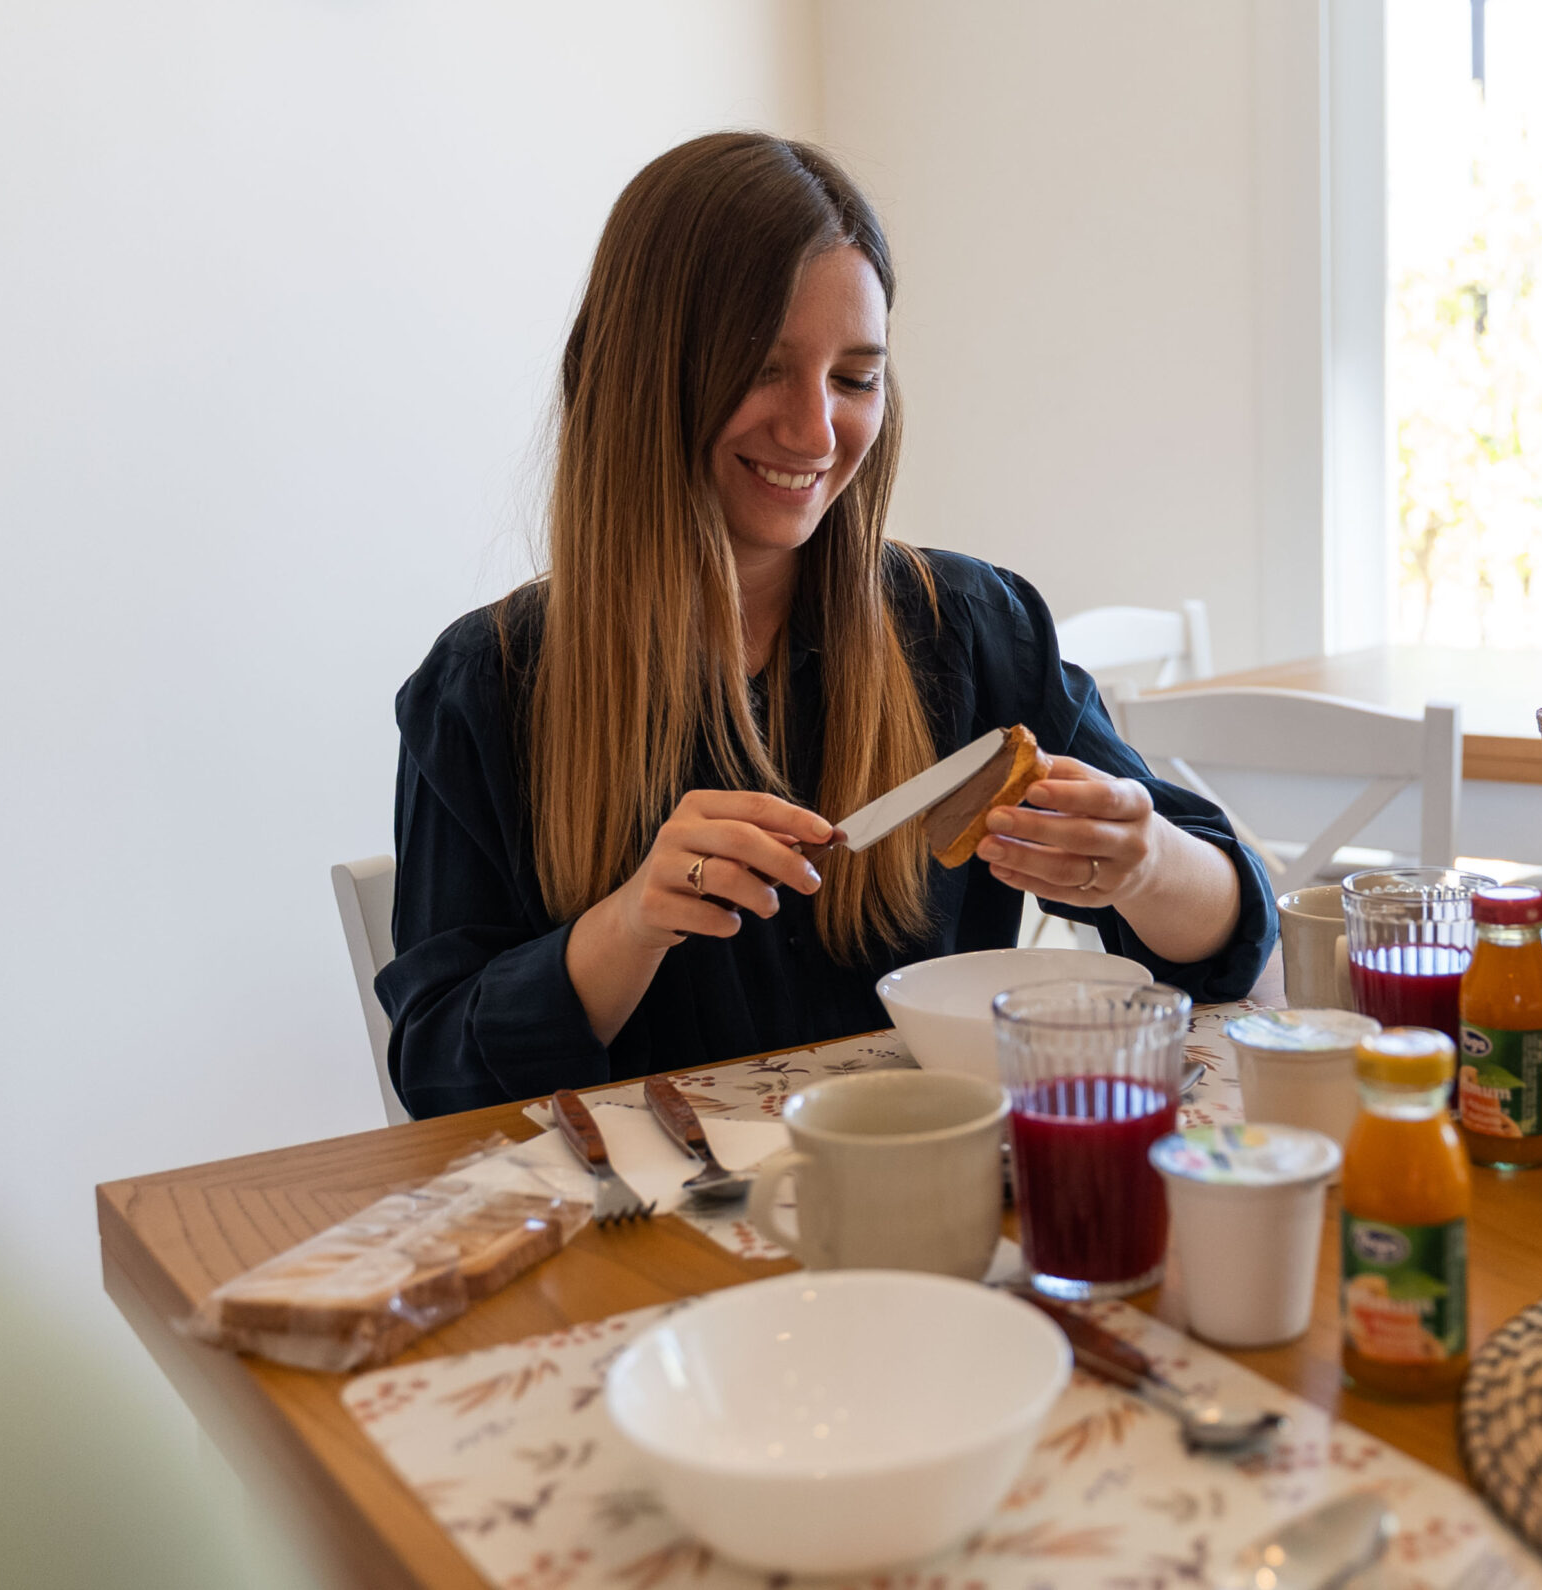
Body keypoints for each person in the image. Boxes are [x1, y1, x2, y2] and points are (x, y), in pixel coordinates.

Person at [378, 133, 1274, 1117]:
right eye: (763, 369)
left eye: (854, 379)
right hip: (650, 1241)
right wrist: (631, 922)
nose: (814, 432)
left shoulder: (970, 628)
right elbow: (436, 1076)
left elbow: (1229, 944)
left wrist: (1143, 863)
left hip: (936, 1198)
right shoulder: (491, 684)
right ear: (640, 376)